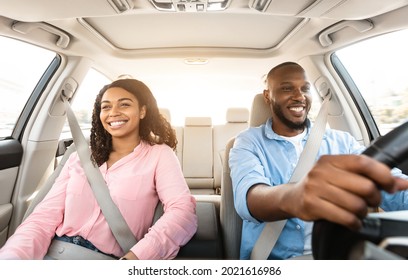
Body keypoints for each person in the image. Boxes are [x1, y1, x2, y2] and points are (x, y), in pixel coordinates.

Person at [0, 78, 198, 260]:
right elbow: (44, 217)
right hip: (53, 254)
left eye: (125, 104)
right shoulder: (79, 157)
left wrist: (137, 258)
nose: (113, 112)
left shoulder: (159, 155)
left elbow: (182, 212)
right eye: (106, 107)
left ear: (143, 111)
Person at [229, 61, 408, 260]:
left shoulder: (343, 142)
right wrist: (295, 196)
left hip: (337, 256)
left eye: (305, 88)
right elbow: (250, 198)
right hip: (276, 261)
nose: (299, 96)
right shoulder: (247, 142)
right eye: (287, 88)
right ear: (268, 96)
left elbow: (389, 183)